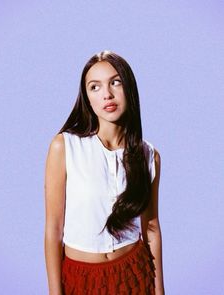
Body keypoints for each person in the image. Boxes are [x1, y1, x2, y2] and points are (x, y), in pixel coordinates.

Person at [44, 50, 165, 295]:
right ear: (87, 98)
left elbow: (151, 227)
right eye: (94, 87)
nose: (107, 94)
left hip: (134, 275)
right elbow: (53, 228)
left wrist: (159, 289)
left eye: (115, 82)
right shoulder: (65, 147)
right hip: (80, 278)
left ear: (129, 88)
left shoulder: (149, 156)